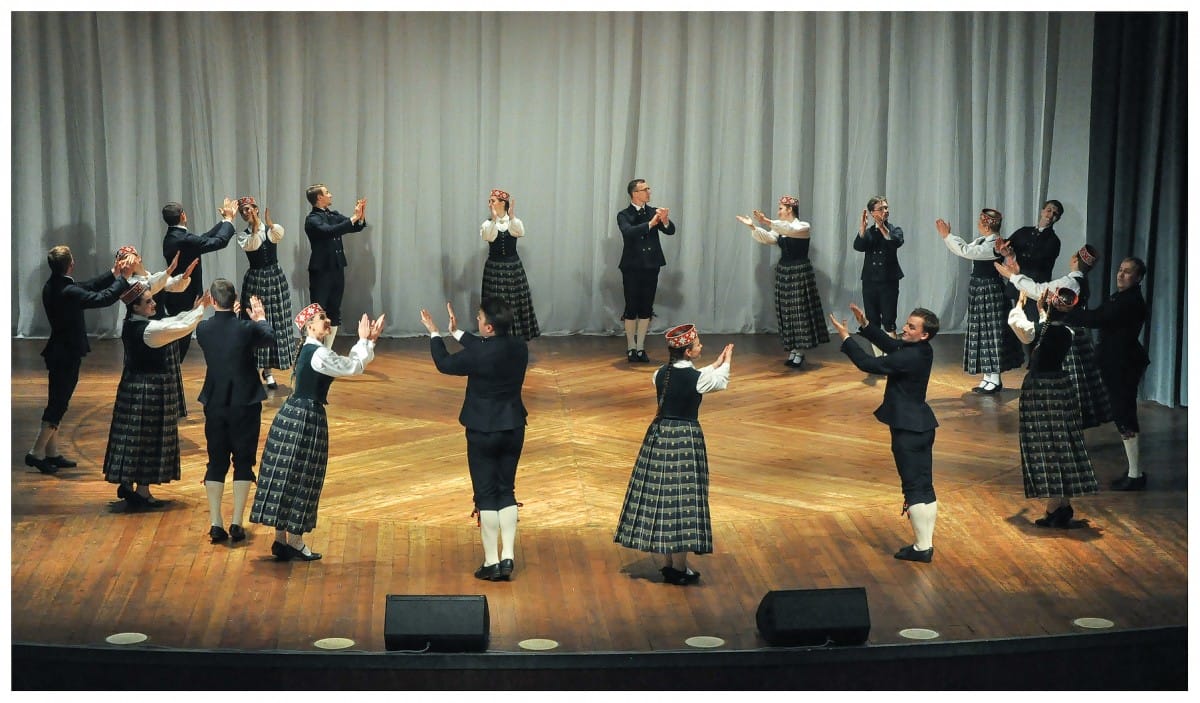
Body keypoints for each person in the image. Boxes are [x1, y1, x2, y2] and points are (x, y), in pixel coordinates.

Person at [249, 303, 385, 561]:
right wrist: (365, 341)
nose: (327, 320)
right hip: (306, 419)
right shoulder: (319, 353)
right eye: (322, 317)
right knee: (303, 476)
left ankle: (281, 540)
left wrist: (369, 342)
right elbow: (352, 367)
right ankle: (294, 542)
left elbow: (349, 364)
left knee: (288, 473)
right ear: (309, 327)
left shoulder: (311, 349)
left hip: (292, 414)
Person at [614, 324, 733, 585]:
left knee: (666, 498)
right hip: (684, 440)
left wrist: (714, 363)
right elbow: (717, 382)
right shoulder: (696, 378)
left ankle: (669, 564)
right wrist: (726, 362)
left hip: (660, 436)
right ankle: (679, 568)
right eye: (698, 344)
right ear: (688, 352)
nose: (701, 346)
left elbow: (692, 376)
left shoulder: (659, 374)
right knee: (683, 501)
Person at [420, 298, 529, 581]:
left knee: (486, 494)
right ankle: (508, 556)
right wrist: (456, 332)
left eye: (479, 318)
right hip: (513, 426)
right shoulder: (520, 347)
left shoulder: (479, 354)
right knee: (506, 490)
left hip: (482, 430)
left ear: (489, 327)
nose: (477, 321)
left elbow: (445, 363)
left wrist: (435, 333)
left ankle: (492, 562)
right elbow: (483, 346)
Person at [830, 304, 939, 563]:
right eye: (907, 323)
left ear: (924, 334)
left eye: (911, 327)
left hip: (907, 429)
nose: (904, 328)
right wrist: (865, 325)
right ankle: (925, 544)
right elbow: (892, 345)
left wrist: (846, 338)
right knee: (924, 486)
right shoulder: (922, 350)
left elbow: (868, 363)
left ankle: (922, 547)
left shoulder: (908, 357)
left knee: (913, 487)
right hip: (922, 426)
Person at [102, 282, 212, 509]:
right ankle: (142, 493)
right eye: (148, 301)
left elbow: (169, 323)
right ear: (136, 307)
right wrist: (201, 309)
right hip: (149, 389)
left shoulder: (132, 323)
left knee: (132, 435)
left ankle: (128, 483)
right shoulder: (149, 331)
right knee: (149, 439)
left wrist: (194, 310)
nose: (154, 304)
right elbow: (180, 328)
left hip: (132, 386)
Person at [26, 246, 133, 474]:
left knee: (57, 400)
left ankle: (51, 452)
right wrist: (123, 279)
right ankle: (35, 453)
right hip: (66, 354)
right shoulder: (68, 291)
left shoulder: (54, 285)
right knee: (59, 403)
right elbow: (102, 298)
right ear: (71, 264)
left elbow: (88, 286)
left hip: (58, 351)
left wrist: (114, 273)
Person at [1008, 288, 1098, 527]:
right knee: (1063, 443)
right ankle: (1062, 505)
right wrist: (1042, 311)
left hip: (1040, 390)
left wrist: (1019, 305)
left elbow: (1018, 324)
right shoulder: (1069, 331)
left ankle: (1054, 507)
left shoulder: (1040, 330)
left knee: (1045, 445)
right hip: (1061, 387)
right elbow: (1047, 327)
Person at [996, 244, 1112, 430]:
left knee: (1064, 377)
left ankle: (1064, 415)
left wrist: (1013, 277)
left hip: (1063, 334)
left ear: (1074, 259)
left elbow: (1039, 291)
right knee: (1079, 378)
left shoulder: (1070, 282)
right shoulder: (1080, 282)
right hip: (1074, 333)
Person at [195, 279, 273, 545]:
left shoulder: (203, 329)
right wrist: (259, 318)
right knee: (243, 461)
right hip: (245, 402)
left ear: (212, 301)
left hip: (215, 402)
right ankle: (237, 522)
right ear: (236, 299)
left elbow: (224, 337)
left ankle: (216, 523)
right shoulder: (246, 328)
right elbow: (268, 337)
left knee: (216, 462)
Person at [1065, 257, 1150, 491]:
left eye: (1128, 272)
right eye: (1120, 270)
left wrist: (1066, 312)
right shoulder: (1121, 298)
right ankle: (1134, 472)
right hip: (1119, 363)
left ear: (1139, 278)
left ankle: (1135, 475)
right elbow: (1098, 315)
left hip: (1123, 365)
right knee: (1123, 414)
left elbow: (1097, 319)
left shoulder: (1128, 302)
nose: (1120, 275)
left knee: (1124, 415)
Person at [936, 210, 1023, 393]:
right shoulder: (983, 241)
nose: (978, 224)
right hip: (979, 289)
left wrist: (947, 236)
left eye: (980, 222)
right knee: (982, 331)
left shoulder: (995, 245)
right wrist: (949, 237)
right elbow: (967, 247)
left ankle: (995, 378)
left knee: (992, 332)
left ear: (986, 226)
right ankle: (988, 376)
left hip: (990, 290)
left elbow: (967, 252)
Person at [736, 195, 829, 368]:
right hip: (784, 271)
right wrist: (752, 226)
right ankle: (793, 348)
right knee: (786, 311)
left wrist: (766, 221)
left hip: (799, 271)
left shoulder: (802, 226)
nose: (778, 212)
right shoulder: (780, 228)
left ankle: (800, 350)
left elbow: (789, 230)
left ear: (789, 209)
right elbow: (769, 238)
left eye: (780, 208)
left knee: (799, 310)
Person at [118, 246, 198, 421]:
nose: (129, 261)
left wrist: (183, 276)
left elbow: (169, 285)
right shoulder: (130, 284)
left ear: (138, 257)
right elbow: (150, 287)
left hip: (163, 327)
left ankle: (172, 409)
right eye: (124, 259)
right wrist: (168, 271)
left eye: (130, 257)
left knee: (169, 369)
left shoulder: (151, 276)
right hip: (145, 333)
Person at [159, 198, 238, 365]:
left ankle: (171, 368)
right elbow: (219, 242)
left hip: (176, 295)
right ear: (183, 215)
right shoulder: (184, 239)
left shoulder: (174, 236)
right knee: (181, 338)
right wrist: (229, 220)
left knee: (179, 336)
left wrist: (223, 222)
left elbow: (202, 239)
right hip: (185, 296)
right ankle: (170, 370)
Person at [236, 196, 295, 389]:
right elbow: (253, 245)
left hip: (275, 279)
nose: (246, 213)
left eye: (249, 209)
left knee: (275, 322)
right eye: (243, 211)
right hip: (256, 280)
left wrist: (269, 224)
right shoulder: (244, 236)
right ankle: (252, 370)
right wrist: (255, 228)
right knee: (256, 323)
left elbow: (278, 234)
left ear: (256, 209)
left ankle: (268, 371)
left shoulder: (271, 229)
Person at [617, 178, 677, 362]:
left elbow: (670, 231)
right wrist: (651, 224)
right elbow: (629, 232)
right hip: (632, 266)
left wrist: (664, 220)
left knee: (646, 307)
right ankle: (631, 347)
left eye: (648, 189)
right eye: (645, 189)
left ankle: (641, 347)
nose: (649, 192)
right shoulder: (624, 214)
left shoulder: (653, 211)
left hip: (651, 264)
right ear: (634, 193)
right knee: (631, 306)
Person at [304, 183, 367, 350]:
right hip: (321, 270)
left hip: (337, 268)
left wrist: (360, 215)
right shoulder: (312, 219)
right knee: (318, 311)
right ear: (319, 197)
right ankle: (313, 350)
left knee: (334, 310)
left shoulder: (332, 214)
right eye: (327, 192)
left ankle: (327, 350)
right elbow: (330, 231)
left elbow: (354, 226)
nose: (330, 195)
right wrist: (353, 218)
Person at [480, 188, 540, 341]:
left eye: (493, 201)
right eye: (489, 201)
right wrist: (494, 220)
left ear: (502, 203)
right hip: (494, 269)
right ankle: (495, 338)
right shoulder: (488, 224)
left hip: (512, 268)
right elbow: (488, 237)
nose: (490, 204)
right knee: (495, 303)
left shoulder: (514, 222)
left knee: (514, 302)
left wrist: (512, 217)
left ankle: (516, 337)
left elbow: (520, 232)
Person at [853, 196, 905, 340]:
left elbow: (895, 242)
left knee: (889, 319)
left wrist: (882, 227)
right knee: (872, 320)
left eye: (886, 208)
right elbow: (858, 247)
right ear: (872, 213)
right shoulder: (869, 232)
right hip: (870, 280)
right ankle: (877, 352)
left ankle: (892, 351)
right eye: (881, 209)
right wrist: (862, 229)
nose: (885, 211)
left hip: (888, 280)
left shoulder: (894, 230)